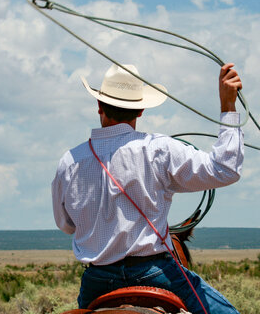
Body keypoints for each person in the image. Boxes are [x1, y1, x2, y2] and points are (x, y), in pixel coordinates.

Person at [52, 63, 244, 314]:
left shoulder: (69, 162)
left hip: (97, 281)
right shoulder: (158, 149)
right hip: (154, 273)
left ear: (99, 106)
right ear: (141, 110)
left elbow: (66, 225)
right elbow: (225, 169)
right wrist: (228, 107)